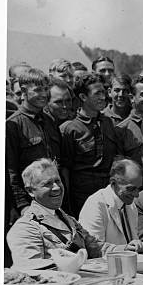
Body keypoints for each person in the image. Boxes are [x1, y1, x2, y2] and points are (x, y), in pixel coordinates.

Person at [7, 159, 126, 263]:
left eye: (58, 181)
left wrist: (125, 249)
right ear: (30, 191)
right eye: (47, 184)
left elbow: (95, 248)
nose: (57, 187)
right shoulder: (25, 227)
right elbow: (34, 272)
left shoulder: (68, 219)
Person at [60, 72, 121, 217]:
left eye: (103, 92)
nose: (103, 97)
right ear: (83, 97)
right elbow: (65, 169)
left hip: (108, 192)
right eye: (97, 93)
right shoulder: (70, 129)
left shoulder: (109, 123)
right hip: (82, 196)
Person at [6, 68, 63, 216]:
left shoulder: (49, 121)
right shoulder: (13, 125)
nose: (44, 94)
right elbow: (11, 172)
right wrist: (22, 206)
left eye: (45, 89)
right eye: (38, 90)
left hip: (53, 199)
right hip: (30, 202)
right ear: (24, 91)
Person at [79, 159, 143, 251]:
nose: (137, 194)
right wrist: (125, 249)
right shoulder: (95, 204)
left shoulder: (130, 205)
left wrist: (139, 245)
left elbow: (132, 243)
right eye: (131, 189)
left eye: (139, 188)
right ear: (113, 182)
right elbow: (93, 249)